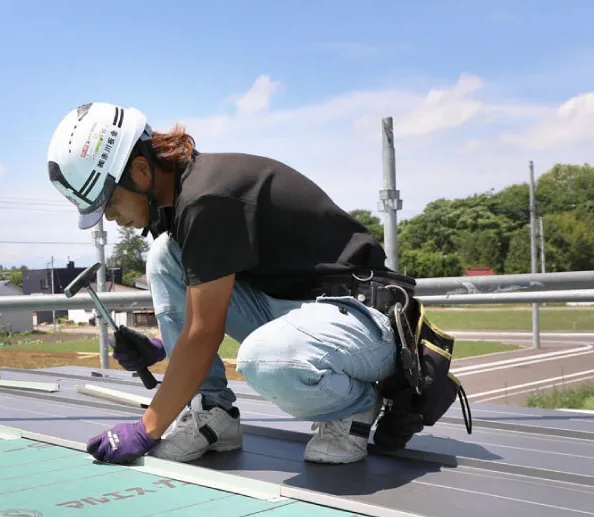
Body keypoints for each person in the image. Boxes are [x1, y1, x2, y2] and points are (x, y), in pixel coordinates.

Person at [45, 102, 417, 466]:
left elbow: (204, 333)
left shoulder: (207, 199)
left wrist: (147, 429)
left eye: (109, 203)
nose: (111, 218)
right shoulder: (178, 206)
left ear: (141, 171)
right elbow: (203, 313)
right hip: (303, 311)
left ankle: (355, 406)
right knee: (165, 254)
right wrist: (161, 347)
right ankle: (213, 414)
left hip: (364, 321)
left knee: (263, 360)